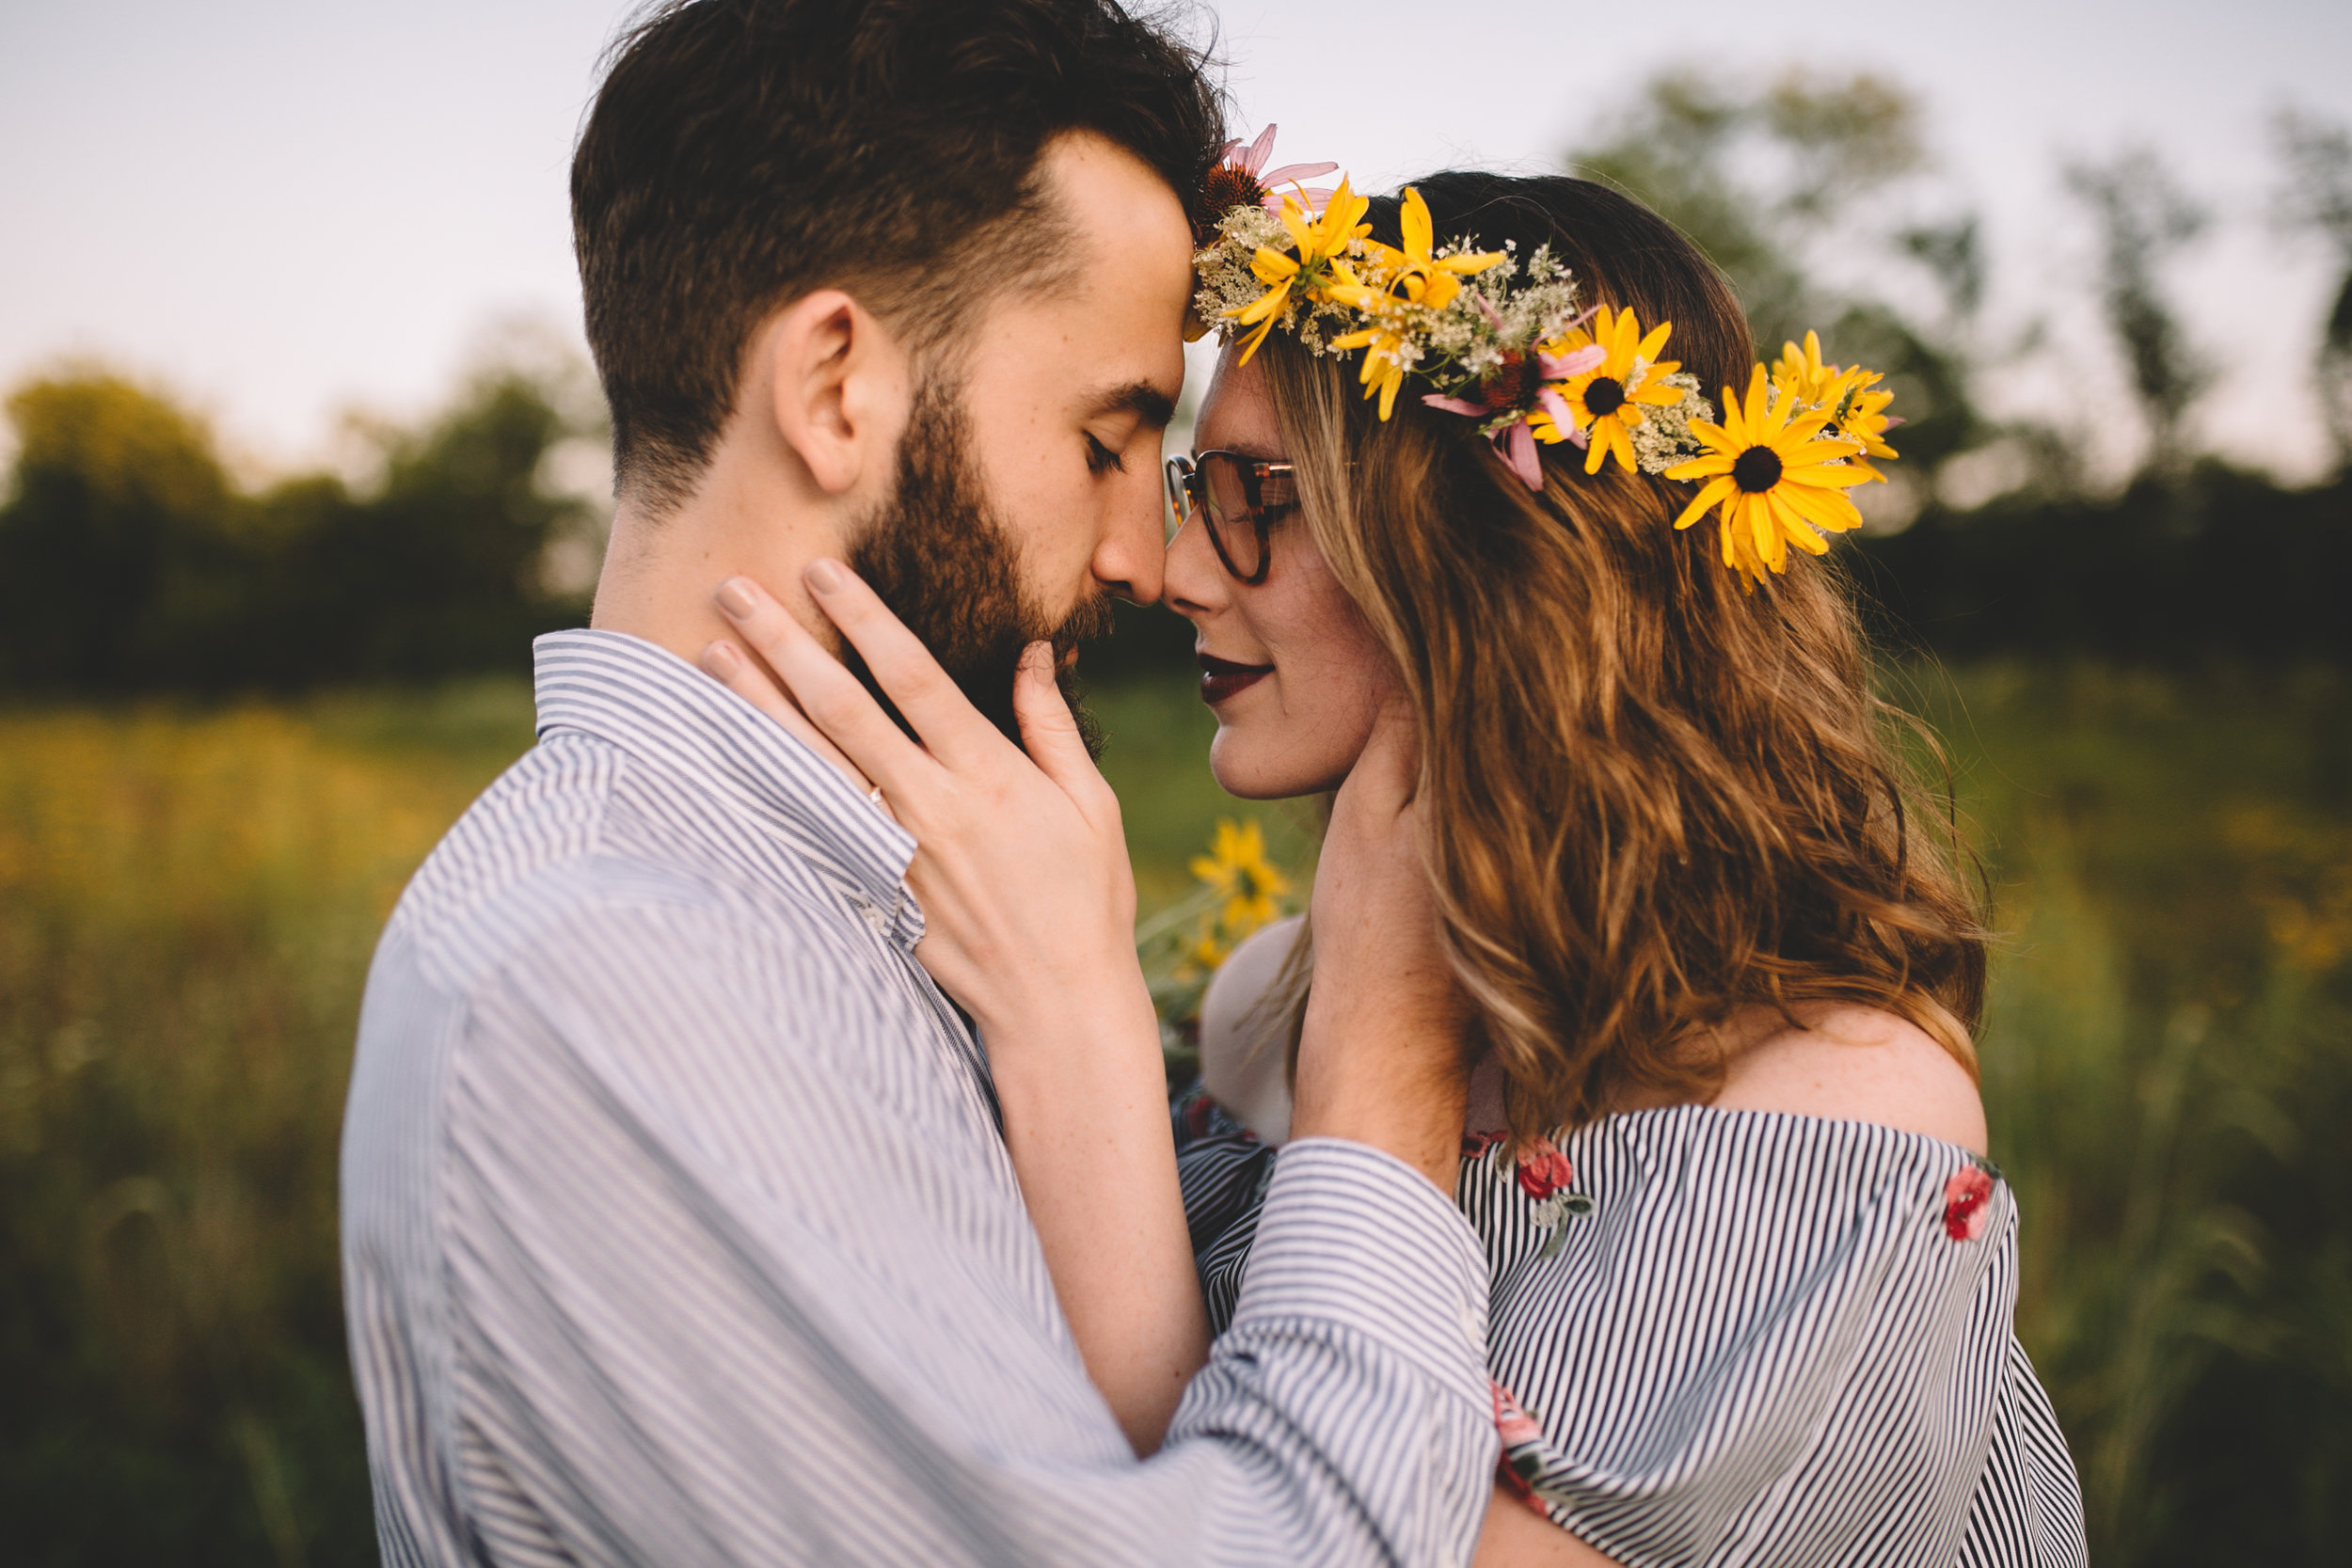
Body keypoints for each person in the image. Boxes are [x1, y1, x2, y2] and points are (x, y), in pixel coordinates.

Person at [704, 166, 2090, 1563]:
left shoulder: (1830, 1102)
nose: (1181, 570)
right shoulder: (1262, 1000)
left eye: (1257, 496)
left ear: (1493, 552)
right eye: (1199, 487)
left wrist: (1082, 1018)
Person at [339, 5, 1503, 1565]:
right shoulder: (615, 981)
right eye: (1108, 440)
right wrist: (1386, 1075)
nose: (1146, 563)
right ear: (836, 389)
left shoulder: (835, 909)